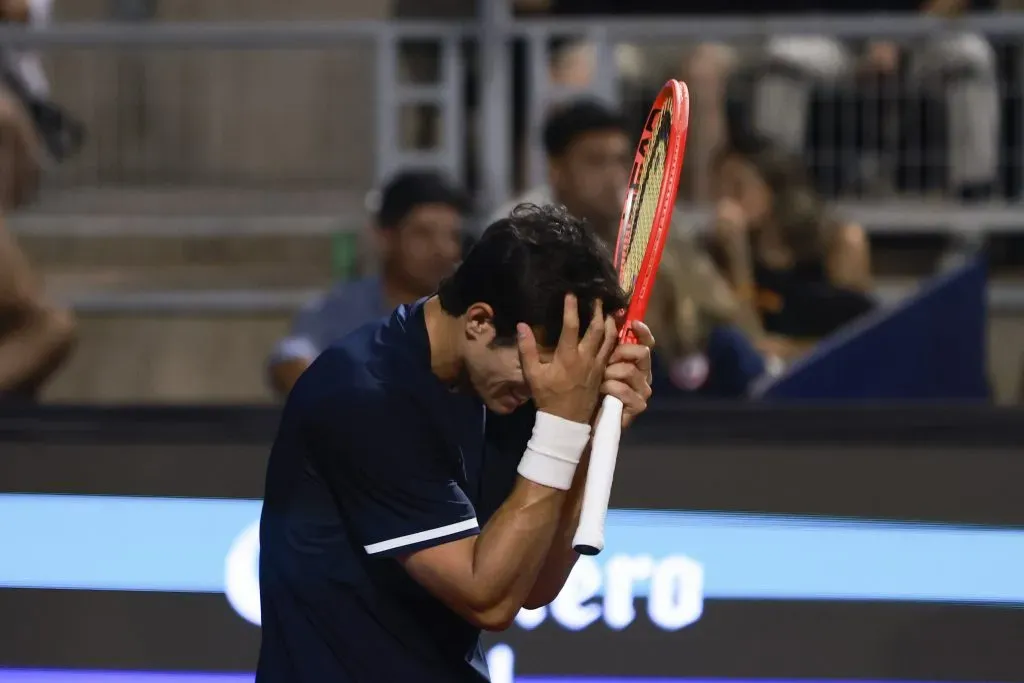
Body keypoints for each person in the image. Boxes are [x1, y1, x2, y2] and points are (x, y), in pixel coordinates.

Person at [256, 204, 654, 683]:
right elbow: (487, 597)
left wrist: (589, 429)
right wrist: (565, 424)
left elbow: (532, 583)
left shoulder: (508, 389)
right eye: (538, 369)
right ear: (479, 321)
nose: (547, 388)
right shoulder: (363, 397)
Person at [492, 99, 765, 398]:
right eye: (596, 162)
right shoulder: (522, 234)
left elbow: (729, 317)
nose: (614, 175)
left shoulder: (656, 229)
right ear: (557, 170)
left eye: (621, 160)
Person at [267, 169, 467, 397]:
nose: (444, 250)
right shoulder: (344, 308)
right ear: (384, 238)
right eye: (423, 234)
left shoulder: (470, 314)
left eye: (453, 236)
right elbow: (289, 357)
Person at [708, 135, 874, 362]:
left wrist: (793, 351)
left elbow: (859, 336)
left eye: (737, 188)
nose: (725, 202)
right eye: (719, 189)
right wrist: (738, 259)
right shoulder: (723, 251)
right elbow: (747, 346)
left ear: (773, 189)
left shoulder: (837, 243)